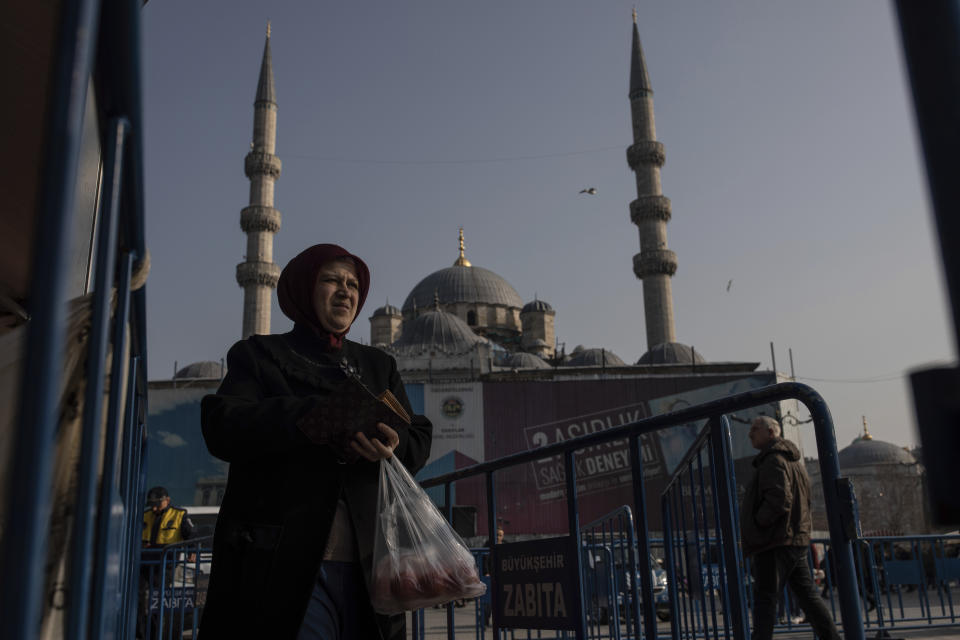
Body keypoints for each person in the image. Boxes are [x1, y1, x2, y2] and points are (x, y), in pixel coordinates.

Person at [198, 244, 432, 639]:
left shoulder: (377, 366)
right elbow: (223, 425)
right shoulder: (260, 356)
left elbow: (415, 435)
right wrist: (310, 416)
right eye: (331, 281)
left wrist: (393, 444)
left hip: (369, 566)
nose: (346, 292)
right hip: (282, 565)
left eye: (353, 284)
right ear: (303, 287)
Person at [740, 416, 840, 640]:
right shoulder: (794, 462)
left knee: (765, 599)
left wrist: (757, 525)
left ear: (772, 433)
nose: (750, 434)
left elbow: (779, 499)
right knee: (808, 597)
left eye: (755, 429)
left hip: (775, 540)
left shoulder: (773, 460)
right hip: (794, 538)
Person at [138, 487, 194, 639]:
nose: (154, 508)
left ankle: (154, 636)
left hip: (164, 566)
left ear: (167, 500)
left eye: (157, 504)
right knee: (139, 599)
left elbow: (191, 535)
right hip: (144, 564)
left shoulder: (179, 514)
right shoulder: (145, 515)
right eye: (152, 504)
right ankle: (142, 635)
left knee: (156, 603)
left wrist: (192, 551)